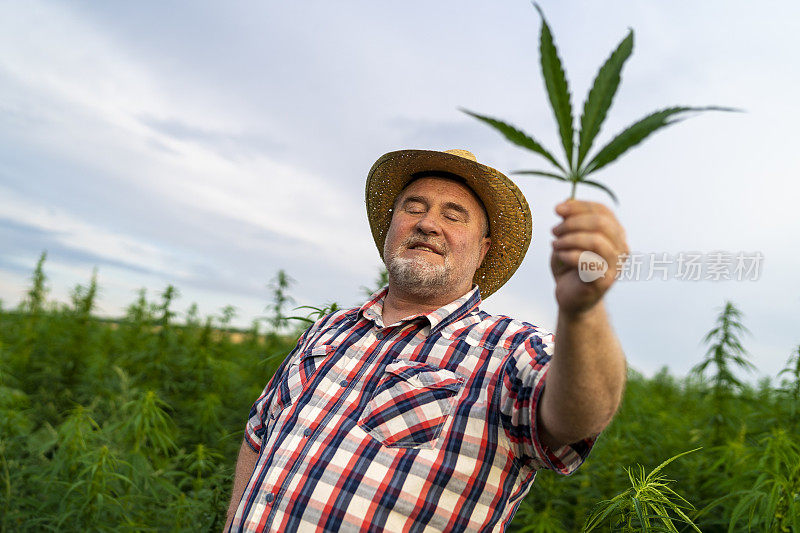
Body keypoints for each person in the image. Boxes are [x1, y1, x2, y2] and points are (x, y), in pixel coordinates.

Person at [225, 149, 628, 532]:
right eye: (414, 208)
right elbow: (258, 436)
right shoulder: (328, 330)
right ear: (390, 226)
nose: (428, 223)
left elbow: (578, 417)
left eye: (454, 216)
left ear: (483, 249)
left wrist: (583, 313)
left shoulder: (508, 350)